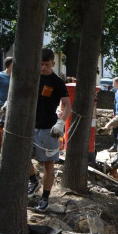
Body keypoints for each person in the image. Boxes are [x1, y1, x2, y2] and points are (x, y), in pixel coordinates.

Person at [27, 49, 72, 212]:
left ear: (53, 64)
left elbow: (68, 105)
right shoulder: (32, 77)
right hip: (30, 126)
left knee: (48, 165)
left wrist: (61, 123)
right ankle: (33, 180)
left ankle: (45, 198)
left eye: (46, 64)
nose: (43, 67)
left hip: (49, 128)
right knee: (22, 155)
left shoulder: (57, 82)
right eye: (40, 64)